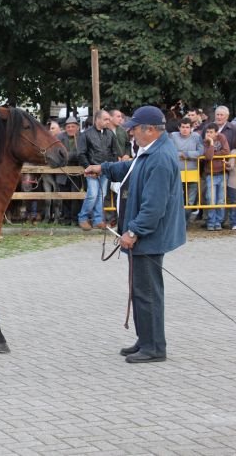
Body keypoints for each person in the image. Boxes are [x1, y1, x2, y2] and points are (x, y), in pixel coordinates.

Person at [85, 105, 185, 363]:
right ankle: (146, 340)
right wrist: (103, 168)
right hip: (146, 236)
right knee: (140, 289)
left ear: (150, 129)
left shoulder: (161, 158)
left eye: (134, 129)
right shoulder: (149, 151)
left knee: (147, 292)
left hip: (149, 237)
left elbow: (154, 206)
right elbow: (130, 171)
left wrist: (133, 231)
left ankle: (154, 348)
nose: (131, 133)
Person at [77, 110, 119, 230]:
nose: (108, 121)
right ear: (97, 120)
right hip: (92, 170)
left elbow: (114, 152)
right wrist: (89, 168)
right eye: (106, 119)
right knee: (92, 195)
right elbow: (81, 154)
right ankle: (83, 218)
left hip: (105, 170)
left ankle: (98, 220)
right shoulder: (85, 134)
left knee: (102, 195)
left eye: (108, 119)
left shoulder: (110, 134)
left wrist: (110, 167)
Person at [169, 118, 203, 224]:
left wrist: (187, 154)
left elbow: (201, 151)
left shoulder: (196, 137)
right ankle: (177, 222)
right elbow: (170, 151)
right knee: (177, 197)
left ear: (191, 128)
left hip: (192, 171)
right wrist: (180, 154)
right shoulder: (173, 136)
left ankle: (185, 222)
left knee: (190, 200)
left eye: (187, 127)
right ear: (179, 127)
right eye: (183, 127)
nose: (185, 129)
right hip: (177, 172)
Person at [55, 117, 84, 225]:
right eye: (68, 127)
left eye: (73, 126)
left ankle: (75, 218)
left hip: (77, 172)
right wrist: (70, 155)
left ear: (77, 127)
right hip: (62, 172)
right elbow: (57, 153)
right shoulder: (59, 137)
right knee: (64, 195)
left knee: (76, 196)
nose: (70, 129)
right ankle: (66, 218)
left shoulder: (82, 137)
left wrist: (67, 155)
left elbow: (80, 153)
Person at [202, 123, 230, 231]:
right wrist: (212, 143)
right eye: (207, 132)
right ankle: (211, 222)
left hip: (222, 172)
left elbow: (226, 152)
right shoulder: (205, 141)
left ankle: (218, 222)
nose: (208, 134)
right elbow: (208, 157)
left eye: (211, 132)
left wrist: (214, 153)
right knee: (211, 199)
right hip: (210, 174)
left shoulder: (222, 137)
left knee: (221, 200)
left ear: (216, 132)